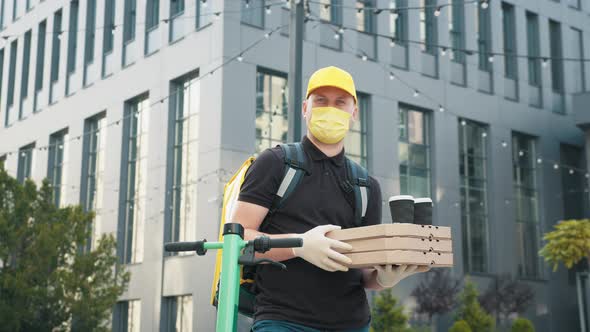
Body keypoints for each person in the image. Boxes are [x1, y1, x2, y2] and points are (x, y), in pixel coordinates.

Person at [232, 66, 429, 332]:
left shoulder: (366, 186)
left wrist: (384, 278)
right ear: (305, 108)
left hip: (353, 324)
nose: (330, 109)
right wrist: (298, 246)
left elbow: (363, 273)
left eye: (340, 102)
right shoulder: (275, 164)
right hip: (282, 322)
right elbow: (237, 241)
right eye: (321, 100)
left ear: (353, 113)